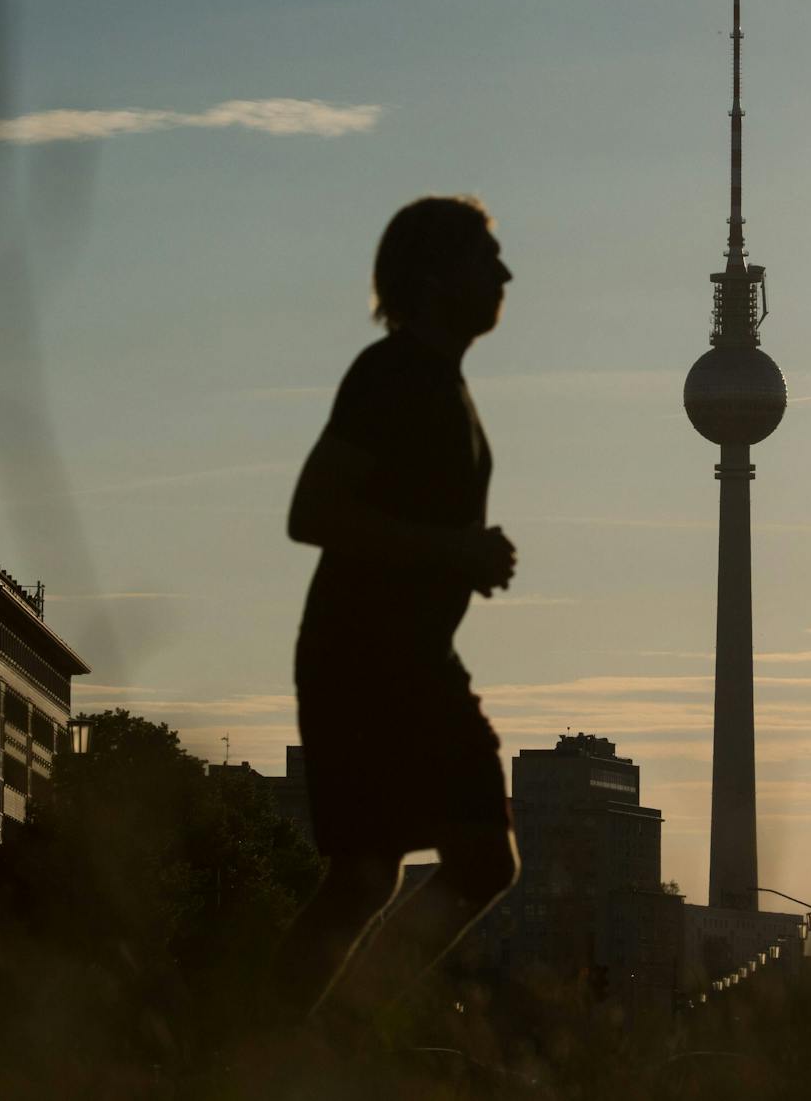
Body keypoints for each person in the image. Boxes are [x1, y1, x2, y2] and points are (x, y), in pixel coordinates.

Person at [272, 194, 520, 1032]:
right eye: (486, 257)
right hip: (364, 657)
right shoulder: (394, 375)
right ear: (435, 275)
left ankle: (312, 1043)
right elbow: (311, 511)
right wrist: (455, 551)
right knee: (372, 874)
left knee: (436, 866)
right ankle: (278, 1050)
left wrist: (463, 554)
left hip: (413, 657)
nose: (505, 274)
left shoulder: (442, 383)